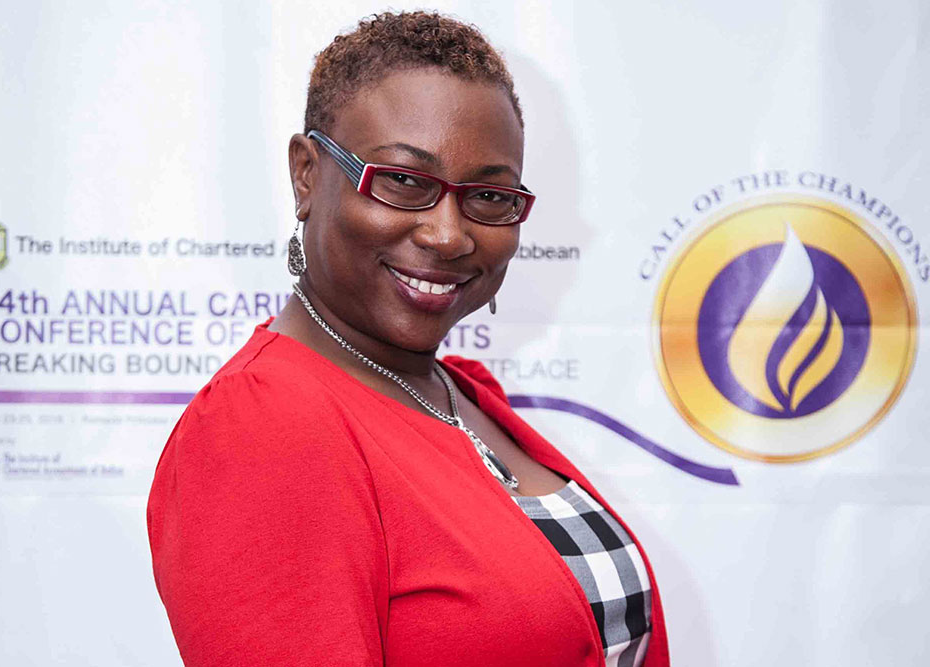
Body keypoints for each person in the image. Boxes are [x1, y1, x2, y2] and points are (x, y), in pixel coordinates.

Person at [148, 11, 669, 667]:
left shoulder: (461, 393)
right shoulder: (261, 424)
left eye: (490, 195)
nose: (448, 235)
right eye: (402, 181)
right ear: (306, 173)